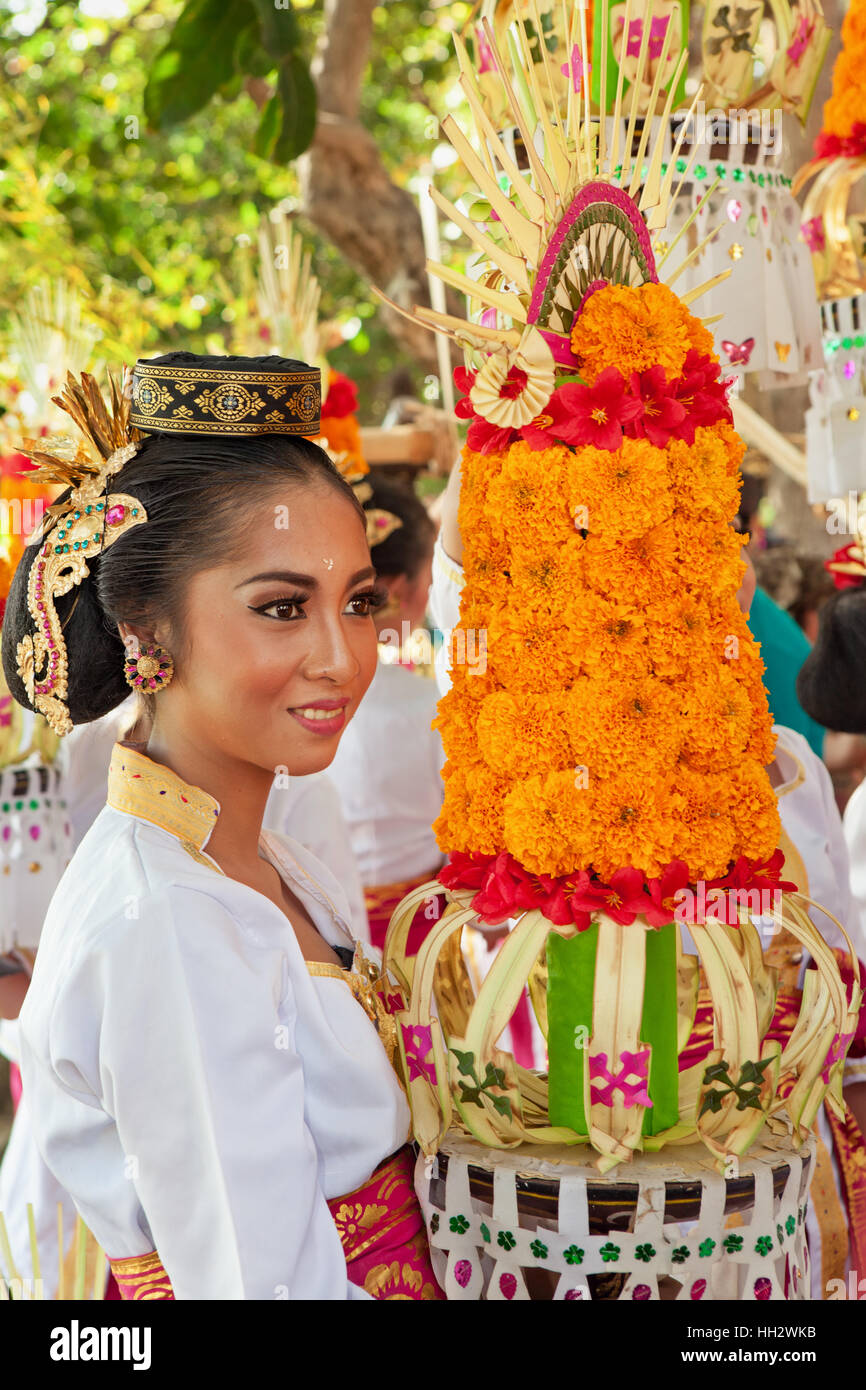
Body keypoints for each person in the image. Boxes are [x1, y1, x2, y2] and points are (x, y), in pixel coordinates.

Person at [2, 353, 442, 1301]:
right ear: (147, 632)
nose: (342, 656)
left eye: (359, 603)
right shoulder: (168, 922)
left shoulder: (258, 859)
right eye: (282, 608)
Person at [327, 476, 443, 951]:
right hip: (422, 938)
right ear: (393, 590)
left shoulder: (284, 700)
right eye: (430, 583)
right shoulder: (428, 705)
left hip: (324, 933)